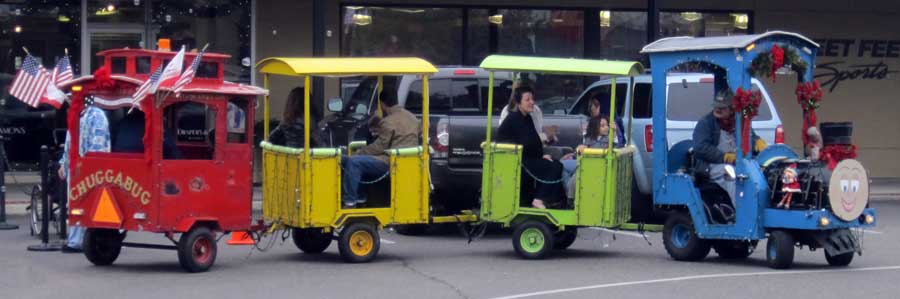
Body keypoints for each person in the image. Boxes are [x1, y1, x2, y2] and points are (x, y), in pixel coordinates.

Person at [341, 89, 419, 208]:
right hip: (407, 161)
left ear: (382, 104)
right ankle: (360, 197)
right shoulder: (413, 118)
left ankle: (350, 200)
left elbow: (379, 147)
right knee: (357, 161)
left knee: (354, 161)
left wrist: (359, 152)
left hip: (391, 162)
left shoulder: (388, 121)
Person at [692, 87, 767, 203]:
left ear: (732, 109)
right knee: (734, 177)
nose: (718, 109)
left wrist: (757, 141)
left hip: (738, 163)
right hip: (712, 166)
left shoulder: (738, 121)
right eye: (716, 106)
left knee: (758, 175)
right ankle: (743, 214)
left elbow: (749, 136)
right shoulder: (705, 123)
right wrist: (725, 157)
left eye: (722, 107)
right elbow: (700, 148)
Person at [496, 86, 564, 209]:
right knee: (555, 167)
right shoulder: (513, 118)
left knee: (556, 162)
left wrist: (541, 155)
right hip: (516, 161)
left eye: (532, 99)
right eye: (527, 100)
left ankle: (550, 200)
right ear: (518, 103)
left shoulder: (527, 118)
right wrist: (544, 140)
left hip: (527, 157)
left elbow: (533, 141)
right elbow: (526, 142)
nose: (532, 102)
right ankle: (539, 199)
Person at [59, 103, 110, 253]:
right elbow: (69, 144)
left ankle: (87, 240)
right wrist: (64, 163)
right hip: (75, 168)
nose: (69, 105)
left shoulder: (97, 116)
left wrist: (89, 167)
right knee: (75, 204)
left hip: (90, 169)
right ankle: (76, 241)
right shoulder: (75, 115)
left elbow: (98, 146)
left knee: (90, 204)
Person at [561, 115, 621, 199]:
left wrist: (614, 132)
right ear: (595, 127)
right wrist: (573, 154)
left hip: (595, 166)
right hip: (584, 162)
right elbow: (582, 149)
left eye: (607, 125)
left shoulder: (608, 138)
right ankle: (569, 192)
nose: (606, 128)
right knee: (561, 165)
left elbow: (615, 147)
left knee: (576, 176)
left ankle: (570, 197)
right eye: (602, 126)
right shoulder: (589, 138)